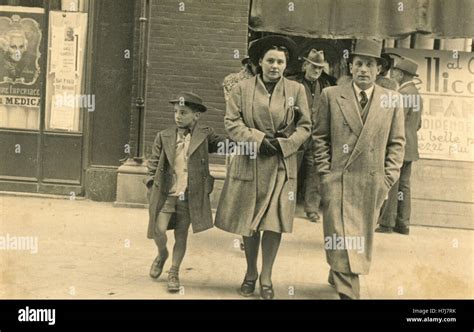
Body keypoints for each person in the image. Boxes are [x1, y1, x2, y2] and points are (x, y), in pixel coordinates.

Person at [215, 35, 311, 299]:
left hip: (281, 164)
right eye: (270, 60)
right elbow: (231, 123)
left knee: (273, 223)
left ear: (286, 64)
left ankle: (267, 276)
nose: (275, 66)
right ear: (260, 61)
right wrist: (257, 140)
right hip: (251, 161)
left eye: (280, 61)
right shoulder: (242, 89)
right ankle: (250, 273)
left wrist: (285, 144)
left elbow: (306, 127)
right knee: (250, 221)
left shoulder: (296, 90)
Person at [313, 39, 405, 299]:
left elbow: (397, 143)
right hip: (338, 179)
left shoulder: (392, 100)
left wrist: (388, 178)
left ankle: (337, 271)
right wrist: (325, 172)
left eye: (369, 65)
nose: (363, 69)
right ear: (350, 68)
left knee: (358, 236)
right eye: (358, 64)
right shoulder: (331, 95)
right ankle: (348, 290)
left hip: (372, 182)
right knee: (340, 232)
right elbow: (319, 137)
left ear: (379, 70)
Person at [145, 92, 224, 293]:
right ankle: (162, 254)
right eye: (175, 112)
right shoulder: (164, 136)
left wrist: (248, 142)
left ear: (196, 116)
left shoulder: (205, 135)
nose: (178, 116)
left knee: (181, 235)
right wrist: (150, 183)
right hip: (168, 193)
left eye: (183, 112)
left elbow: (225, 145)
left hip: (190, 195)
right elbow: (153, 164)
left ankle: (174, 271)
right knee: (158, 229)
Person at [288, 49, 336, 223]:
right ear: (305, 65)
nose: (317, 71)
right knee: (291, 171)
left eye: (320, 68)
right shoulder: (292, 83)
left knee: (315, 173)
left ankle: (312, 209)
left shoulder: (327, 86)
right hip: (296, 135)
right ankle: (286, 207)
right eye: (314, 67)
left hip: (316, 136)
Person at [376, 57, 423, 235]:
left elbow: (394, 123)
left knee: (391, 184)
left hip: (399, 146)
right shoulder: (416, 94)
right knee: (404, 185)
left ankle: (387, 224)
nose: (392, 73)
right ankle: (403, 224)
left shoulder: (402, 95)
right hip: (411, 148)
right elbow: (418, 124)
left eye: (395, 71)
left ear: (401, 74)